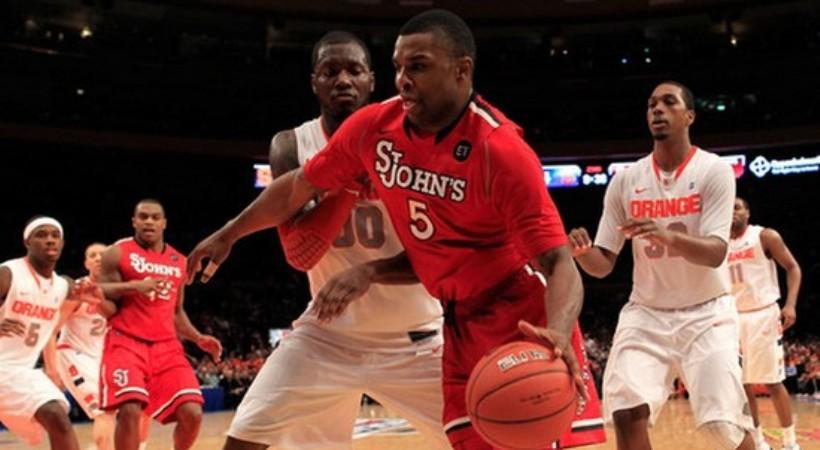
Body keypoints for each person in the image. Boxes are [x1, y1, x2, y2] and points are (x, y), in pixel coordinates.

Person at [188, 10, 599, 450]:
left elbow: (558, 262)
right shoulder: (374, 128)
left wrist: (559, 331)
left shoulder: (501, 151)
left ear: (462, 70)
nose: (403, 80)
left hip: (505, 316)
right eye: (398, 67)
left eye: (417, 66)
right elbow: (297, 187)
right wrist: (228, 234)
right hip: (442, 320)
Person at [221, 31, 451, 450]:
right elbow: (301, 253)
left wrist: (370, 272)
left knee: (488, 438)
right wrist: (346, 184)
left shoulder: (415, 140)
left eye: (354, 70)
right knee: (243, 440)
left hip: (417, 338)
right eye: (330, 71)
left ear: (371, 80)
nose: (343, 79)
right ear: (314, 82)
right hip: (327, 338)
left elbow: (441, 251)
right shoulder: (292, 145)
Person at [568, 81, 755, 450]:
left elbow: (716, 252)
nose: (657, 109)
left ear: (689, 116)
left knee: (722, 427)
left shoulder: (714, 170)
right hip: (647, 313)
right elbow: (603, 265)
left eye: (669, 102)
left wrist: (665, 235)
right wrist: (583, 253)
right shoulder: (625, 181)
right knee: (625, 412)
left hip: (707, 313)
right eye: (652, 104)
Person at [98, 199, 222, 450]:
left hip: (167, 347)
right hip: (126, 342)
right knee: (130, 409)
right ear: (134, 221)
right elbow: (100, 289)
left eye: (155, 217)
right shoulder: (117, 253)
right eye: (143, 217)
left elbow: (176, 311)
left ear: (164, 223)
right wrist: (134, 286)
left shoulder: (179, 261)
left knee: (192, 412)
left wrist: (198, 338)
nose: (149, 222)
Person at [0, 216, 99, 450]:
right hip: (5, 369)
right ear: (27, 242)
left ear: (62, 244)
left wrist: (137, 286)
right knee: (56, 416)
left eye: (55, 236)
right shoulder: (8, 273)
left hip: (18, 371)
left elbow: (102, 288)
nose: (50, 240)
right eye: (41, 235)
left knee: (57, 417)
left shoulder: (61, 285)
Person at [42, 243, 153, 450]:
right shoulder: (78, 290)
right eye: (92, 255)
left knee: (142, 405)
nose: (98, 258)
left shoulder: (121, 291)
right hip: (75, 355)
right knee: (104, 411)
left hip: (107, 357)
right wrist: (52, 369)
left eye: (103, 254)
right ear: (86, 263)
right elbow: (49, 329)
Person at [729, 197, 802, 450]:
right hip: (732, 318)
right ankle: (758, 441)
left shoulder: (764, 236)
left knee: (773, 381)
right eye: (728, 208)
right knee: (743, 385)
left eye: (737, 207)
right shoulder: (718, 243)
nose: (732, 212)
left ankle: (790, 443)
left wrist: (790, 304)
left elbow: (793, 268)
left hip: (763, 315)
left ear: (748, 212)